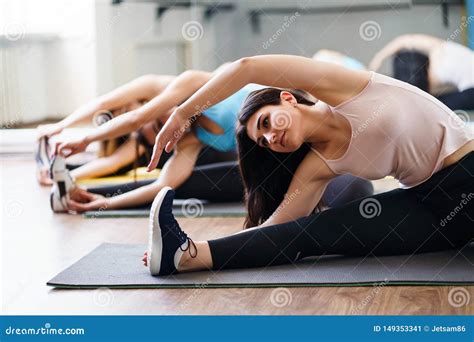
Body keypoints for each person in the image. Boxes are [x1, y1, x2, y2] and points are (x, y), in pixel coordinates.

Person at [143, 55, 473, 276]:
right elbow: (277, 227)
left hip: (468, 171)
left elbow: (246, 67)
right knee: (309, 233)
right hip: (427, 208)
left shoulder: (343, 89)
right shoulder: (317, 165)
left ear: (287, 98)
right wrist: (225, 246)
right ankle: (184, 255)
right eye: (264, 140)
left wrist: (183, 113)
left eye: (267, 122)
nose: (271, 137)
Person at [52, 67, 373, 212]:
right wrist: (103, 204)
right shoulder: (191, 141)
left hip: (313, 142)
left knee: (358, 190)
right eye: (157, 132)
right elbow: (159, 186)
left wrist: (80, 137)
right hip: (288, 169)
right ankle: (79, 194)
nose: (163, 123)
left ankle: (78, 190)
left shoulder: (196, 84)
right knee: (180, 186)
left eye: (161, 116)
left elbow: (136, 117)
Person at [369, 34, 474, 110]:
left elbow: (422, 98)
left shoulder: (435, 76)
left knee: (433, 105)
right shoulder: (438, 49)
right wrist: (379, 57)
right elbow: (405, 40)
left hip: (471, 89)